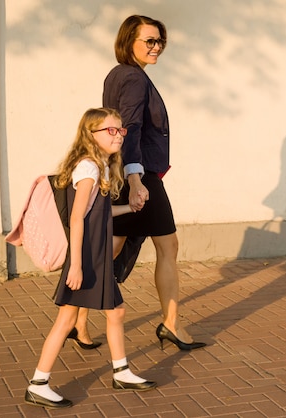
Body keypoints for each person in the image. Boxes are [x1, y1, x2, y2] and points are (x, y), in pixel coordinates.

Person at [73, 15, 206, 352]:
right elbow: (127, 127)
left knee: (110, 249)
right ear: (128, 40)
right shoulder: (133, 78)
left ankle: (77, 320)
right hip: (138, 173)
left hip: (125, 172)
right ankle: (171, 324)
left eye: (160, 40)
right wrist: (135, 179)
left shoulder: (118, 75)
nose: (157, 46)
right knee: (167, 245)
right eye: (149, 40)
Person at [24, 108, 156, 410]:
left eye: (120, 130)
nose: (119, 136)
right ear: (91, 134)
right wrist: (77, 266)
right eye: (110, 130)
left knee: (116, 312)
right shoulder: (89, 168)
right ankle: (38, 383)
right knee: (67, 320)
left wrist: (129, 210)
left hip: (94, 255)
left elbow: (97, 215)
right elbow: (77, 218)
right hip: (86, 257)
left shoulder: (100, 167)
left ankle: (121, 371)